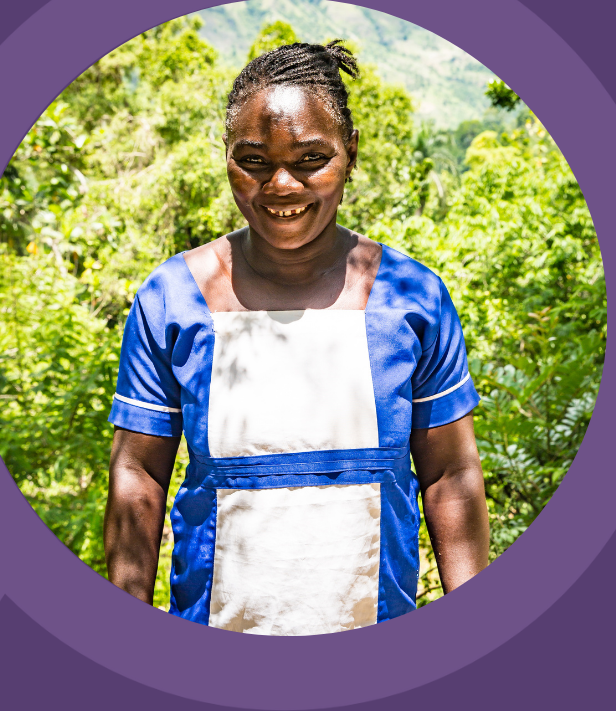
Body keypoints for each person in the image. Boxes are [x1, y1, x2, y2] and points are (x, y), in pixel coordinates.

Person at [104, 41, 490, 635]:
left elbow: (450, 476)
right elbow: (139, 474)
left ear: (350, 153)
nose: (281, 186)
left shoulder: (411, 299)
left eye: (311, 158)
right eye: (253, 161)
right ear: (227, 159)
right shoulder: (174, 297)